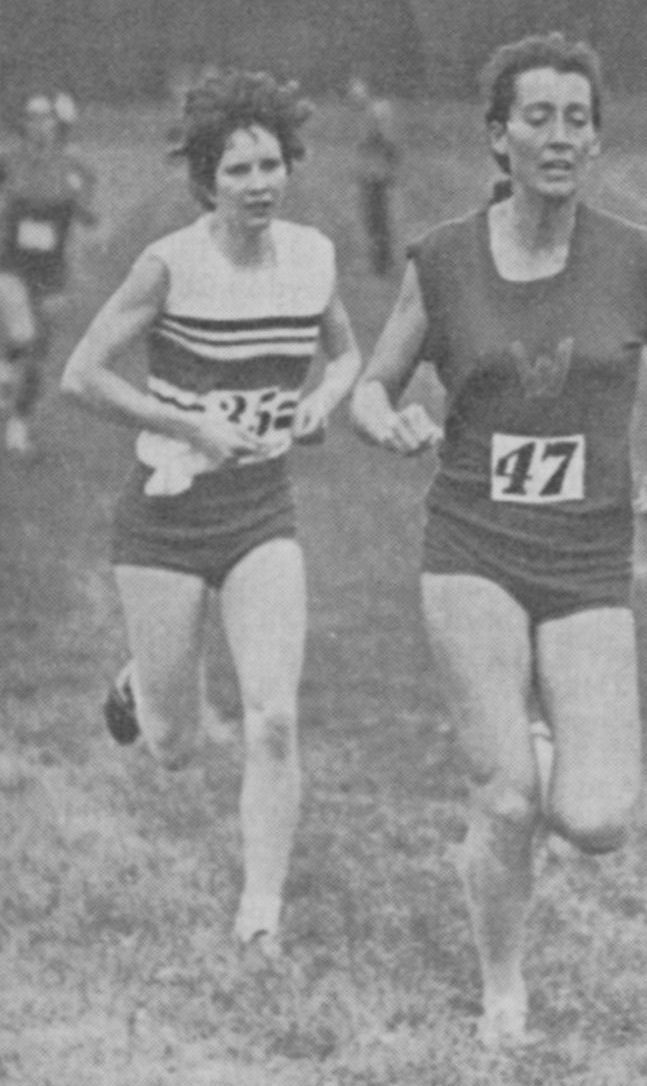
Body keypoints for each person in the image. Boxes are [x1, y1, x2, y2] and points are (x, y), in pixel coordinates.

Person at [351, 33, 647, 1046]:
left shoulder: (636, 257)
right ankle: (502, 984)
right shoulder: (444, 258)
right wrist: (386, 420)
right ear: (497, 136)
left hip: (588, 557)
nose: (558, 136)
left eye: (576, 119)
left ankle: (535, 749)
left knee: (596, 821)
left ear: (595, 141)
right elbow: (370, 386)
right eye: (537, 117)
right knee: (505, 801)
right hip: (474, 546)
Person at [60, 70, 361, 949]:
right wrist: (185, 421)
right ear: (207, 179)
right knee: (173, 746)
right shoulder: (172, 264)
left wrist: (320, 401)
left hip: (260, 512)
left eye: (272, 165)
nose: (260, 184)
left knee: (274, 715)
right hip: (165, 516)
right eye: (239, 170)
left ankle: (260, 912)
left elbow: (345, 355)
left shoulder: (310, 256)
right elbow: (82, 374)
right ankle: (141, 682)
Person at [0, 91, 97, 456]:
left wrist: (80, 203)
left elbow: (88, 215)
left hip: (52, 270)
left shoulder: (75, 165)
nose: (39, 124)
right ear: (23, 123)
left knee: (39, 348)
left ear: (58, 124)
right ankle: (6, 369)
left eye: (46, 117)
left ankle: (18, 427)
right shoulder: (9, 160)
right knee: (24, 333)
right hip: (11, 265)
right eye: (32, 117)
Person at [348, 76, 400, 276]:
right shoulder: (369, 113)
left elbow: (387, 143)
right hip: (371, 174)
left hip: (377, 176)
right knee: (373, 220)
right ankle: (380, 262)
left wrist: (387, 169)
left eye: (356, 97)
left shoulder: (376, 113)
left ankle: (382, 264)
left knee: (377, 220)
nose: (354, 102)